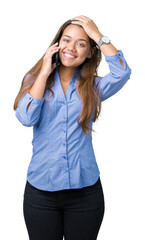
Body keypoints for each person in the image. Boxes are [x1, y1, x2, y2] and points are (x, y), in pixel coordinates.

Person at [13, 15, 132, 240]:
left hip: (85, 193)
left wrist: (97, 35)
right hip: (41, 193)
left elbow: (122, 72)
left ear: (90, 52)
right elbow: (26, 118)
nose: (72, 47)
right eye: (67, 40)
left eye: (81, 43)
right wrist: (44, 73)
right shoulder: (34, 79)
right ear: (57, 44)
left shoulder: (94, 87)